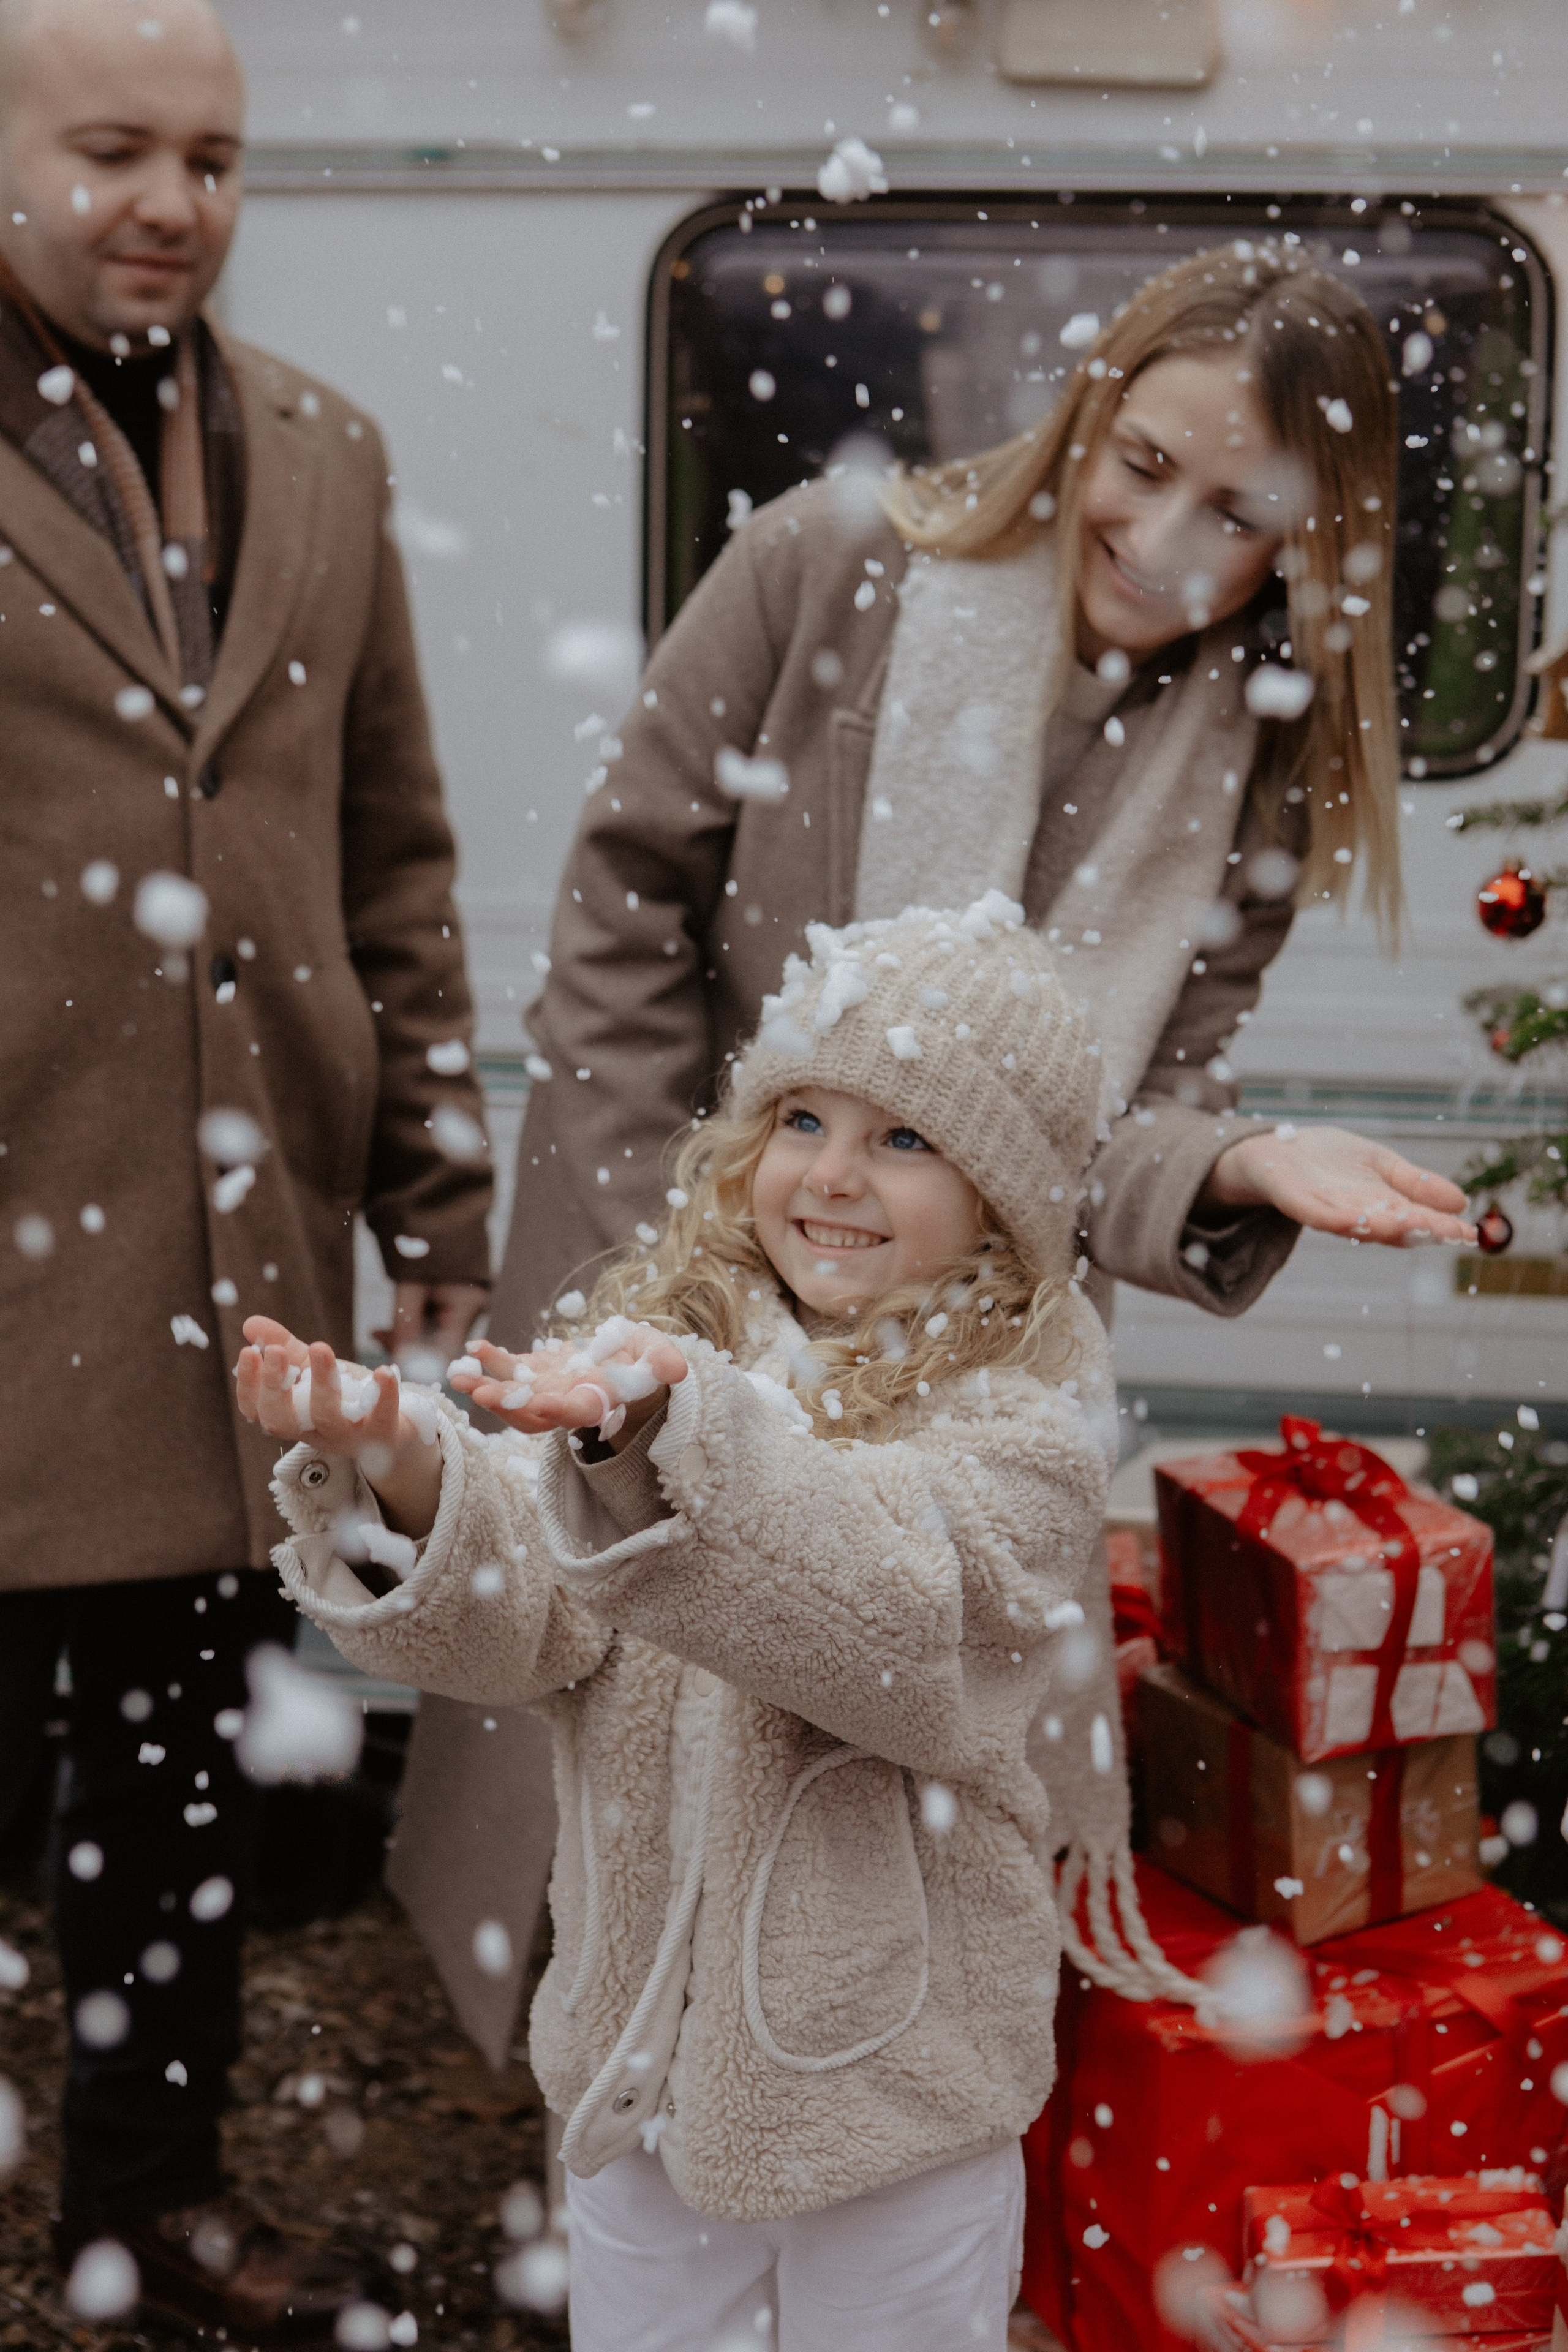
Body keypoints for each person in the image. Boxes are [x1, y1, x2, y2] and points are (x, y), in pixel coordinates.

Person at [425, 238, 1472, 2030]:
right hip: (676, 1238)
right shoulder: (830, 565)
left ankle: (843, 2120)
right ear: (1085, 418)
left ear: (1311, 539)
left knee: (868, 1753)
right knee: (613, 1698)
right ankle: (587, 2132)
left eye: (1236, 511)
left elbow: (1123, 1116)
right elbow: (624, 907)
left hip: (966, 1349)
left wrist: (1229, 1165)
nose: (1156, 537)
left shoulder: (1266, 754)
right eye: (1140, 465)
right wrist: (678, 1254)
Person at [238, 895, 1147, 2352]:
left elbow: (891, 1632)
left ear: (1004, 1192)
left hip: (888, 2086)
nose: (834, 1176)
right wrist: (405, 1465)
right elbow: (524, 1626)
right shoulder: (660, 1350)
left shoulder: (1018, 1428)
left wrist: (669, 1438)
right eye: (802, 1119)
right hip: (645, 2067)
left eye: (904, 1138)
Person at [0, 0, 491, 2337]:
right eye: (113, 148)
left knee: (181, 1787)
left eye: (209, 153)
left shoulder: (328, 451)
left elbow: (393, 858)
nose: (171, 198)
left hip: (234, 1274)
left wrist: (445, 1212)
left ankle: (148, 2207)